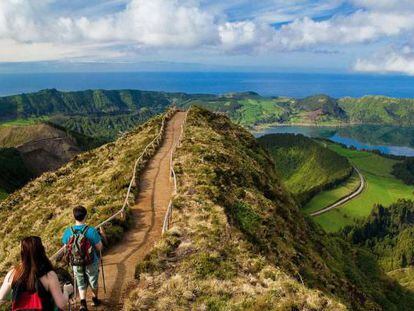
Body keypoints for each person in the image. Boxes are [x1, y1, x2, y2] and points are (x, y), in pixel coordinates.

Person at [0, 236, 73, 310]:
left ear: (23, 253)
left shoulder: (14, 272)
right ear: (41, 251)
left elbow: (1, 297)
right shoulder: (49, 275)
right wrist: (67, 291)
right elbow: (61, 304)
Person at [62, 206, 103, 311]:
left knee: (80, 281)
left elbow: (66, 246)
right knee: (93, 280)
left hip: (76, 262)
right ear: (86, 216)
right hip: (91, 261)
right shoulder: (91, 231)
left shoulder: (68, 231)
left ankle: (83, 303)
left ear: (73, 216)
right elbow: (99, 247)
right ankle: (95, 299)